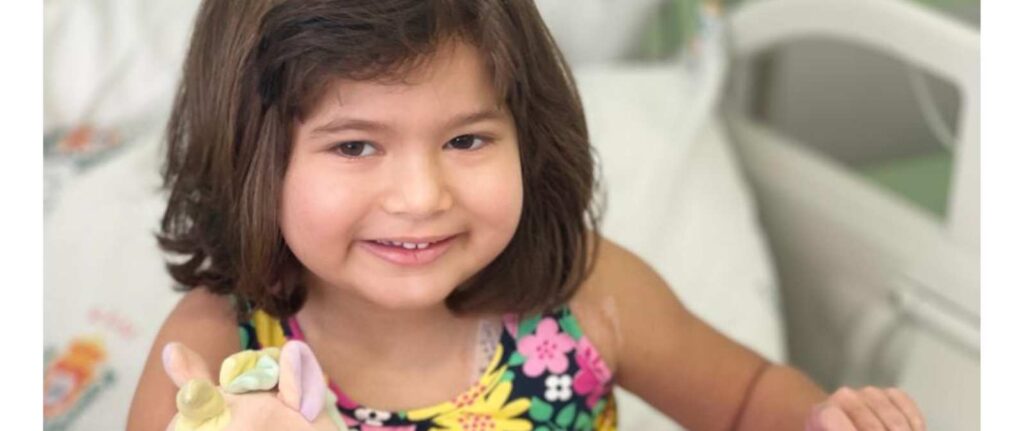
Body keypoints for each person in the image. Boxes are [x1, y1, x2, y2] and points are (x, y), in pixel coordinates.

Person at [127, 1, 926, 430]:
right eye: (356, 147)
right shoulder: (216, 355)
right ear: (253, 159)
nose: (422, 195)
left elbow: (748, 398)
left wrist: (818, 421)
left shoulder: (587, 292)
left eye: (467, 138)